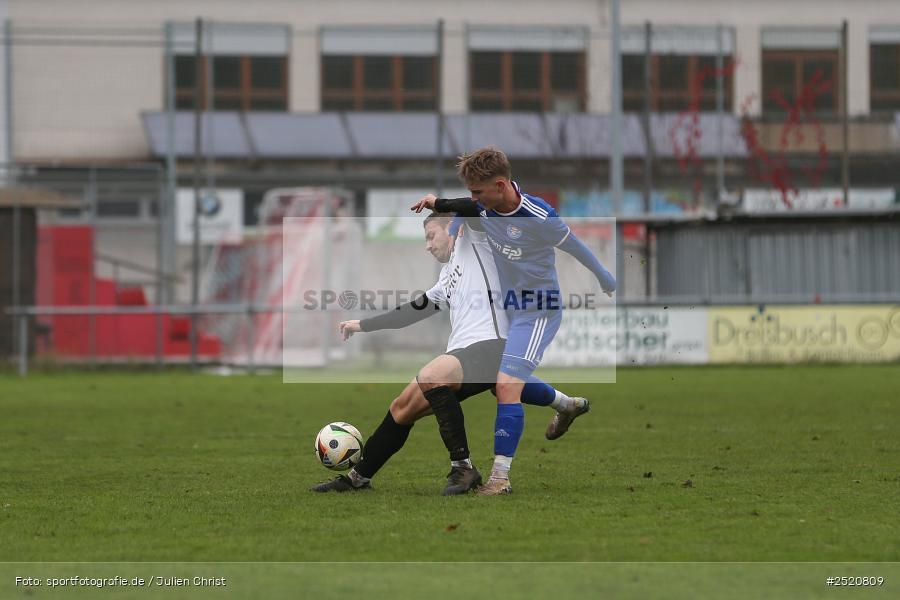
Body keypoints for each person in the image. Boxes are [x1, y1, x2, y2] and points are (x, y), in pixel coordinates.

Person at [310, 212, 589, 495]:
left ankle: (463, 467)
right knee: (401, 408)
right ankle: (357, 478)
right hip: (466, 353)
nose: (427, 245)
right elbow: (412, 311)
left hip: (493, 344)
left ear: (453, 228)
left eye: (431, 236)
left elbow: (473, 208)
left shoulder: (476, 241)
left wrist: (439, 203)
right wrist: (363, 325)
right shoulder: (447, 278)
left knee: (433, 375)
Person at [411, 146, 616, 495]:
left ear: (502, 184)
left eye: (478, 192)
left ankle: (500, 478)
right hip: (508, 308)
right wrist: (455, 221)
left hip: (536, 310)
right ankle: (566, 406)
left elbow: (576, 246)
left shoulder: (538, 215)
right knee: (499, 380)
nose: (474, 198)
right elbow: (467, 206)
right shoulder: (486, 203)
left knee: (506, 385)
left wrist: (604, 278)